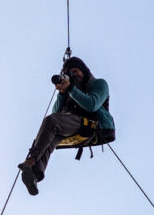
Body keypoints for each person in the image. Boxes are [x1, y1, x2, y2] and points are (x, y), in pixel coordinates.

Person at [18, 56, 114, 196]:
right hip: (73, 126)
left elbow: (92, 105)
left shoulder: (98, 84)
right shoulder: (70, 92)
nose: (75, 75)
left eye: (76, 71)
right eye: (71, 73)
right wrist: (62, 94)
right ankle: (34, 175)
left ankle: (31, 160)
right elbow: (55, 114)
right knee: (51, 135)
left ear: (84, 71)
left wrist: (70, 89)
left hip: (94, 126)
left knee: (52, 122)